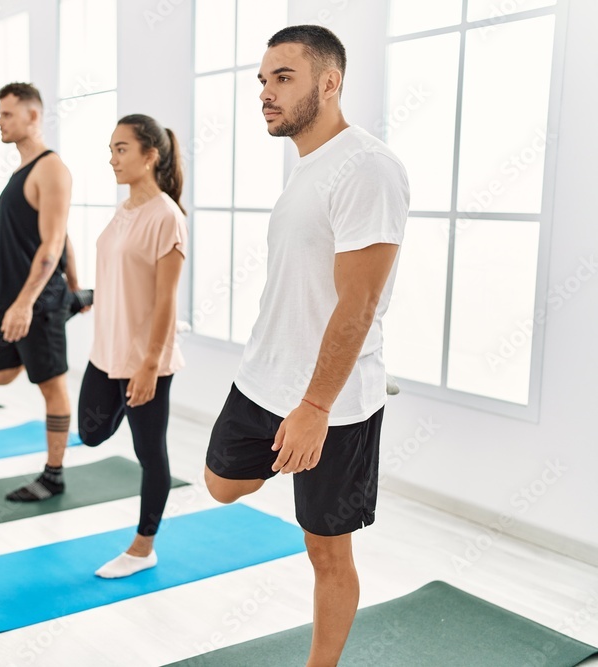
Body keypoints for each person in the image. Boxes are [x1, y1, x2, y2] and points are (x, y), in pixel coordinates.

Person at [202, 25, 409, 667]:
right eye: (262, 81)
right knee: (220, 484)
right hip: (265, 379)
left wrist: (316, 406)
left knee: (326, 550)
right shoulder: (306, 169)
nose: (266, 93)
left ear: (330, 81)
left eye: (282, 78)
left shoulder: (366, 166)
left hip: (333, 404)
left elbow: (358, 303)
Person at [78, 114, 187, 579]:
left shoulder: (167, 218)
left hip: (147, 360)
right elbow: (121, 279)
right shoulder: (124, 211)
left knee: (149, 453)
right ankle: (126, 400)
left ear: (151, 156)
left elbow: (165, 301)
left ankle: (144, 547)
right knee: (91, 432)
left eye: (122, 148)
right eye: (111, 148)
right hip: (105, 352)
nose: (112, 158)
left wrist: (147, 366)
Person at [0, 82, 84, 502]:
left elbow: (52, 240)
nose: (0, 122)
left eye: (7, 114)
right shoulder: (22, 171)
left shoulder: (51, 168)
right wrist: (75, 281)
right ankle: (74, 299)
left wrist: (27, 303)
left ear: (33, 116)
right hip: (10, 294)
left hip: (35, 301)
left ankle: (53, 476)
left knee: (52, 387)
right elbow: (59, 233)